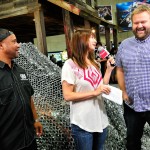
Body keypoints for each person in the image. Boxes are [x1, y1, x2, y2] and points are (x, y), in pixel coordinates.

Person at [61, 28, 115, 150]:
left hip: (100, 119)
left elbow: (102, 87)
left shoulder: (95, 63)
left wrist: (108, 70)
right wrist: (95, 92)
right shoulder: (69, 65)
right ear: (80, 41)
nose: (95, 40)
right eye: (91, 37)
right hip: (82, 123)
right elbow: (68, 95)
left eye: (94, 37)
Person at [0, 28, 43, 150]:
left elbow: (28, 97)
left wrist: (36, 120)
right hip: (8, 144)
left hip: (29, 139)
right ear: (1, 46)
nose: (18, 45)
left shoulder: (20, 71)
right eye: (14, 42)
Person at [115, 5, 150, 150]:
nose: (140, 26)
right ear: (132, 24)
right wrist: (123, 91)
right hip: (132, 105)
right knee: (132, 143)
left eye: (143, 22)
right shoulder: (124, 45)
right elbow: (120, 69)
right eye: (136, 23)